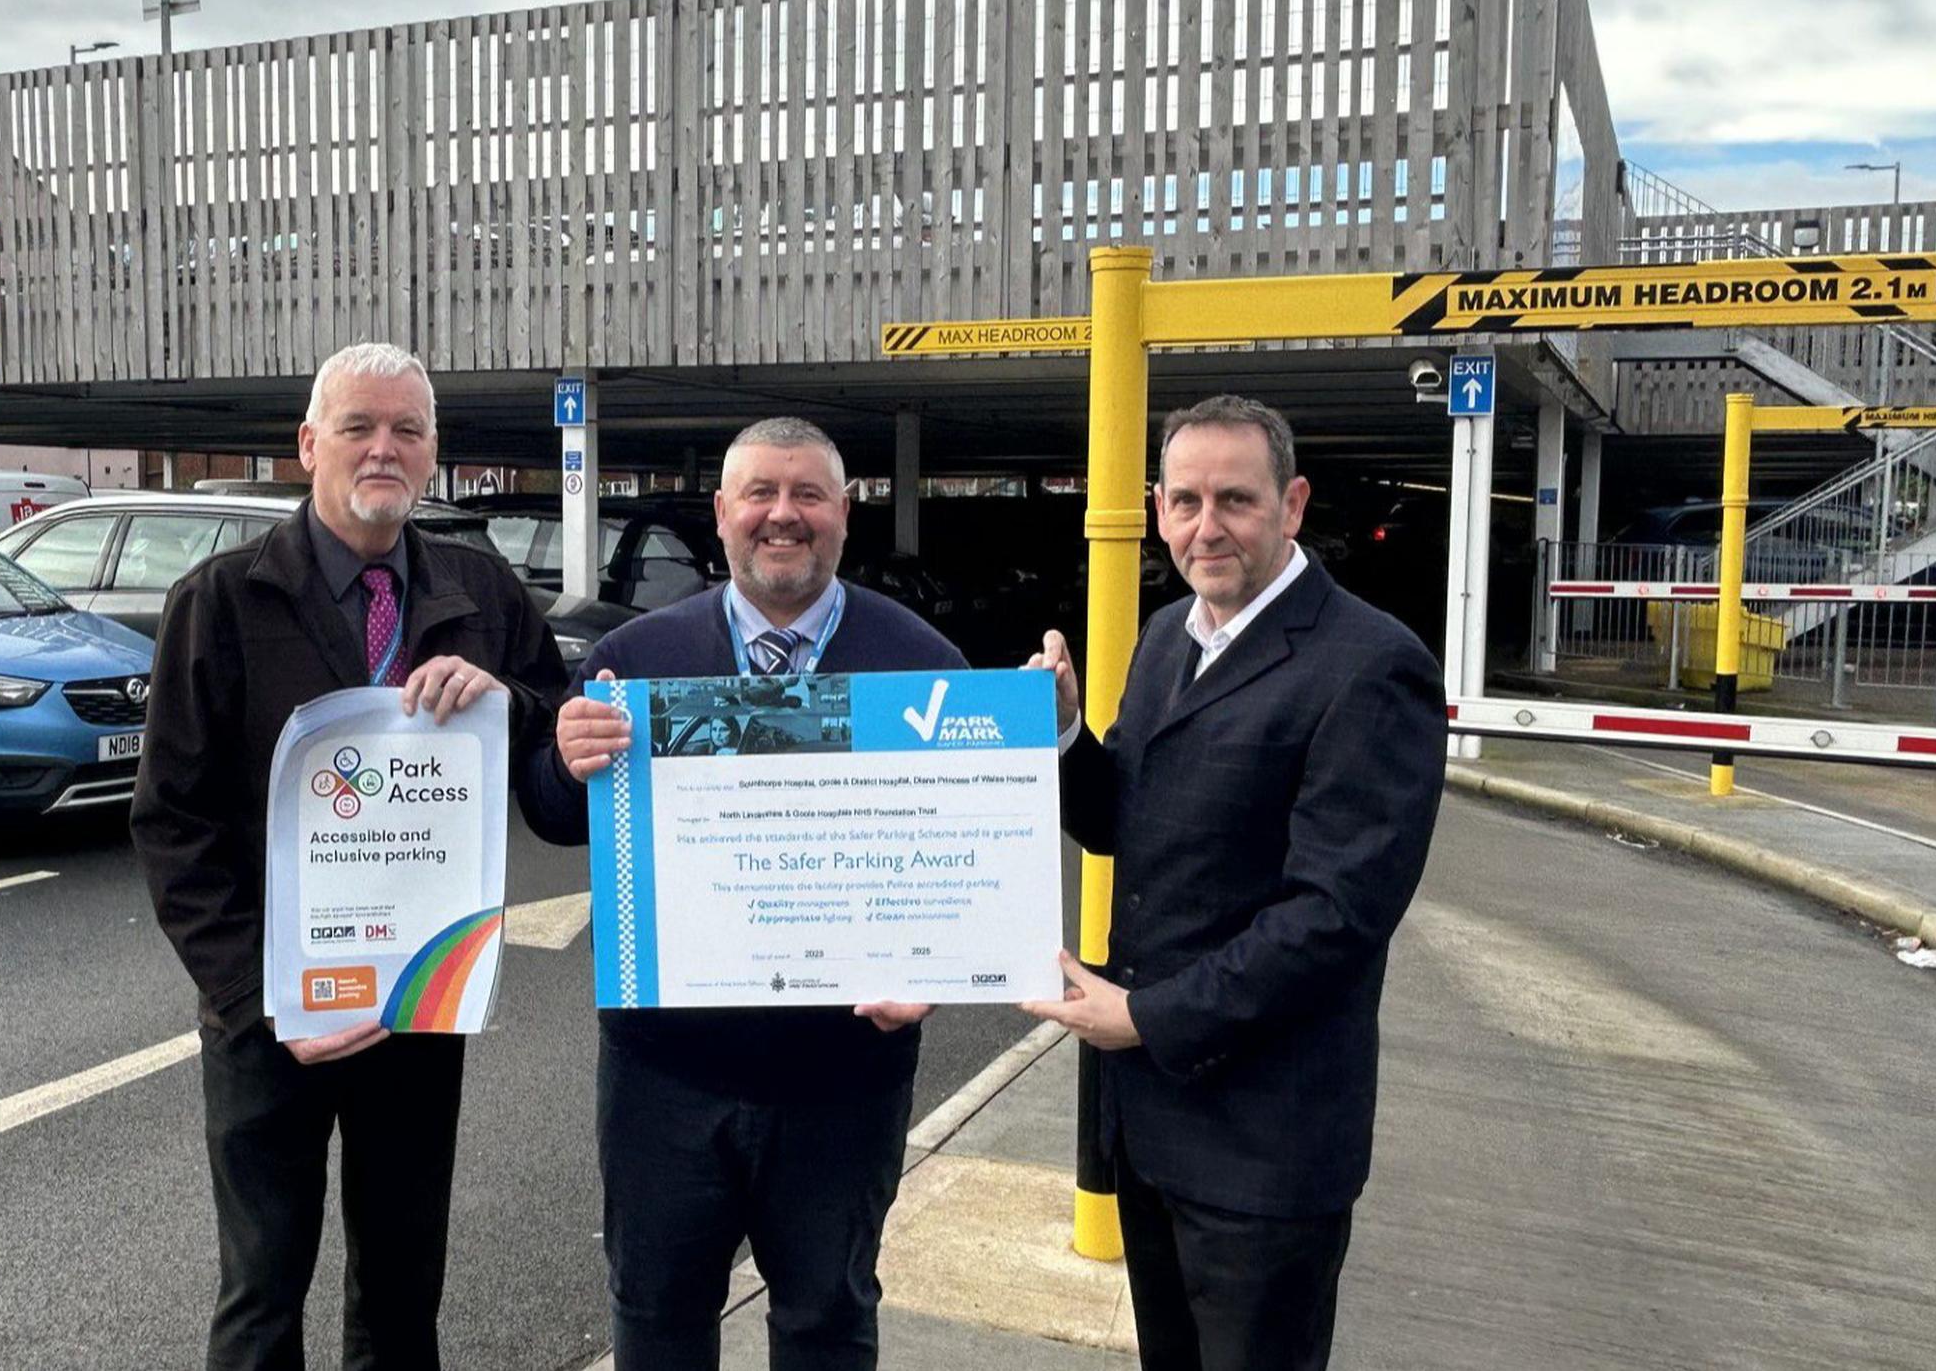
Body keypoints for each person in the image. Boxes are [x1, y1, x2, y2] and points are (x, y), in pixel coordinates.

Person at [131, 342, 569, 1371]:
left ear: (431, 455)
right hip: (269, 1017)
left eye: (406, 431)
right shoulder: (222, 599)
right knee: (261, 1290)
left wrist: (514, 705)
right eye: (358, 427)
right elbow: (171, 822)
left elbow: (555, 741)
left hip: (420, 1000)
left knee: (404, 1284)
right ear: (306, 445)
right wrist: (254, 995)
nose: (383, 449)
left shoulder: (479, 589)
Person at [520, 416, 964, 1371]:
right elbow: (556, 815)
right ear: (722, 514)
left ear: (846, 513)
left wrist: (941, 962)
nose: (782, 515)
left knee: (827, 1323)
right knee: (656, 1320)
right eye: (760, 493)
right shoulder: (633, 660)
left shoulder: (922, 661)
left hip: (845, 1081)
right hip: (663, 1081)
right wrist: (563, 761)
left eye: (808, 495)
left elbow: (963, 855)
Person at [1023, 395, 1444, 1371]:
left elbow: (1333, 917)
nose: (1203, 527)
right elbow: (1120, 817)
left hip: (1265, 1149)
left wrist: (1147, 1017)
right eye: (1182, 501)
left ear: (1290, 505)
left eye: (1233, 500)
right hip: (1153, 1128)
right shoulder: (1172, 634)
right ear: (1156, 507)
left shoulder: (1371, 666)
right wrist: (1058, 733)